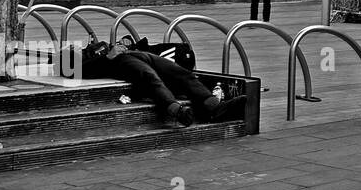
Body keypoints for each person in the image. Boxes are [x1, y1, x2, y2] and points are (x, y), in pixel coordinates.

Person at [81, 40, 247, 129]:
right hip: (118, 62)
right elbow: (71, 68)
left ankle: (213, 107)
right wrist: (107, 57)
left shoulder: (98, 43)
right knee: (149, 76)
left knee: (180, 72)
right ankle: (175, 109)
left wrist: (125, 44)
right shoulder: (73, 53)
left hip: (137, 54)